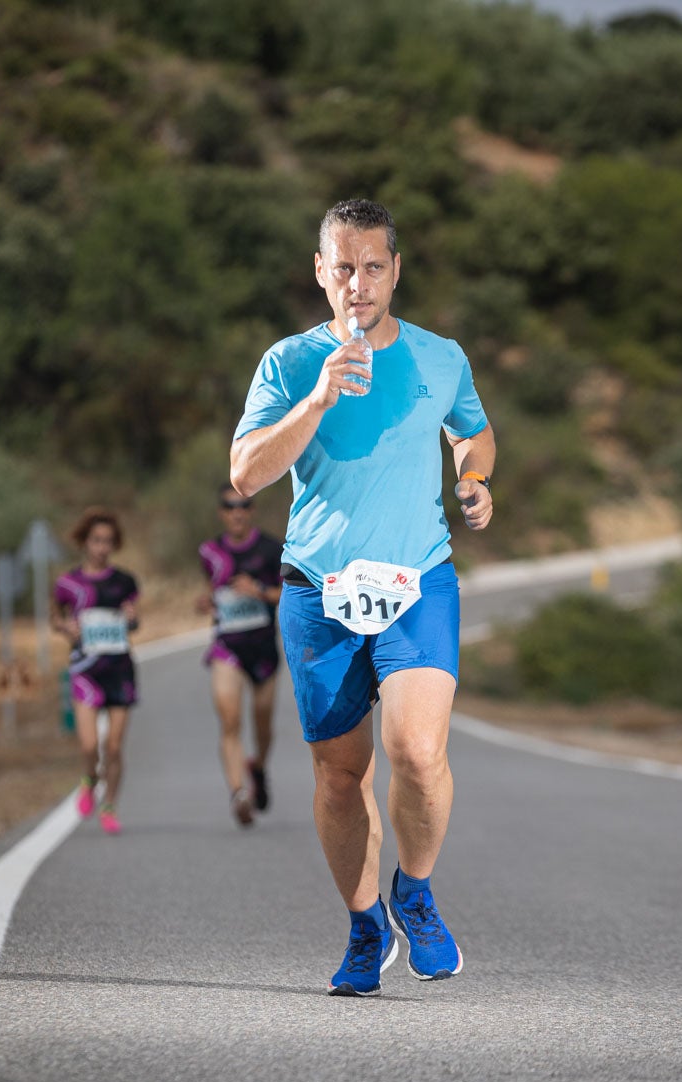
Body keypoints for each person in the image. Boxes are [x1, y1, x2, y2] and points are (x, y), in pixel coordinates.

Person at [230, 198, 495, 996]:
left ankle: (415, 891)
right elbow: (245, 474)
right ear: (320, 271)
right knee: (340, 774)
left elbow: (472, 430)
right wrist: (316, 400)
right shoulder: (286, 362)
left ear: (395, 270)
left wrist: (474, 476)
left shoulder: (439, 356)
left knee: (417, 752)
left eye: (373, 266)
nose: (358, 282)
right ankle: (363, 922)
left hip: (419, 581)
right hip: (320, 589)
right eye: (342, 267)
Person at [196, 483, 284, 827]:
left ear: (252, 510)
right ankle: (238, 794)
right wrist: (204, 602)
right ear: (221, 511)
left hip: (262, 648)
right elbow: (212, 589)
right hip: (226, 647)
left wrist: (259, 591)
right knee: (230, 721)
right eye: (230, 506)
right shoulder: (209, 551)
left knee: (262, 721)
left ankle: (258, 766)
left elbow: (289, 594)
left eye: (244, 505)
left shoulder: (271, 548)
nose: (237, 512)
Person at [51, 507, 140, 836]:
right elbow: (55, 618)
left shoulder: (125, 582)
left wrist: (131, 617)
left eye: (107, 541)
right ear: (84, 542)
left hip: (119, 669)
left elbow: (135, 619)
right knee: (90, 745)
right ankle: (89, 780)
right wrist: (66, 627)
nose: (101, 547)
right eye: (96, 540)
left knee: (114, 747)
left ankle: (110, 804)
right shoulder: (68, 584)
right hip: (86, 671)